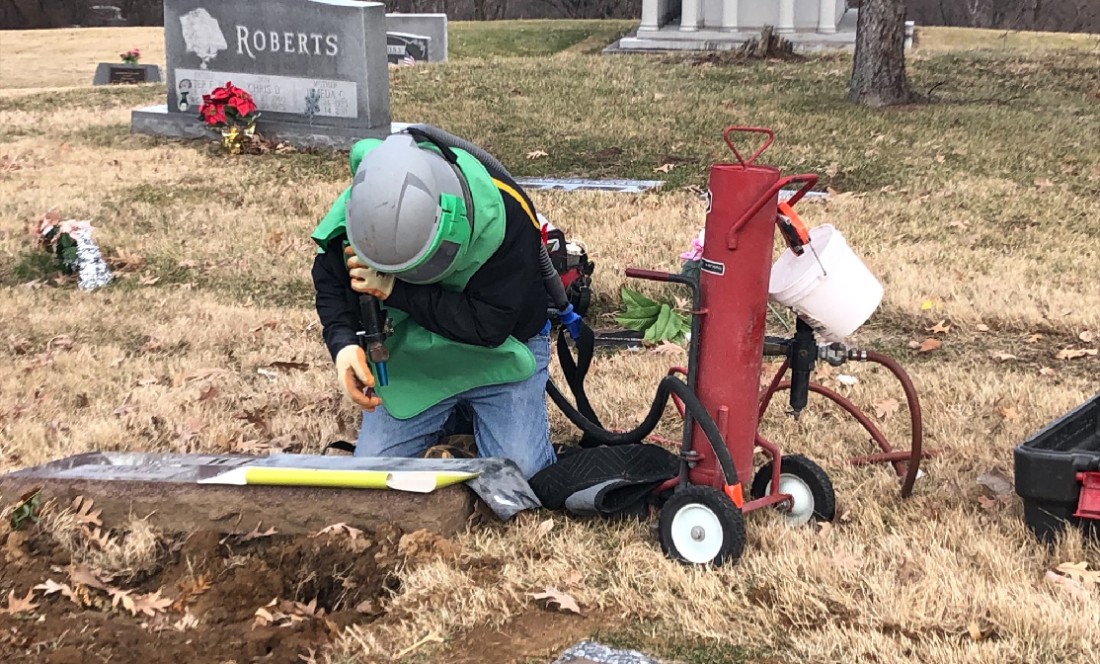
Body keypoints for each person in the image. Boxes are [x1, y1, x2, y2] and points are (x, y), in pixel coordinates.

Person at [310, 130, 556, 479]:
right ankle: (456, 418)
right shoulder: (368, 206)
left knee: (520, 475)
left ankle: (468, 415)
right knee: (373, 474)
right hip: (415, 357)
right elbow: (331, 279)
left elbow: (489, 326)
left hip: (503, 351)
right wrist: (344, 343)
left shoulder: (505, 215)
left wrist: (395, 290)